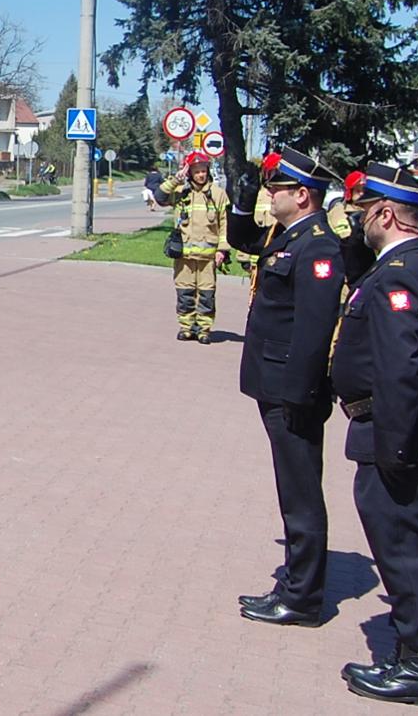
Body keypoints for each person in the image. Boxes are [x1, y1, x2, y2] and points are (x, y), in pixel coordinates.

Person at [331, 163, 418, 707]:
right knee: (401, 545)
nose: (357, 220)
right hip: (389, 425)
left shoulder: (402, 274)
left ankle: (416, 668)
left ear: (385, 213)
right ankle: (411, 654)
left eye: (364, 211)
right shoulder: (401, 264)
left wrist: (395, 448)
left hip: (394, 429)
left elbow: (399, 370)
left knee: (403, 549)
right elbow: (357, 269)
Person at [223, 146, 344, 630]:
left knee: (301, 494)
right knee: (292, 491)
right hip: (276, 385)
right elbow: (244, 239)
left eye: (278, 188)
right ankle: (295, 584)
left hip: (293, 392)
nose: (269, 194)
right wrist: (240, 201)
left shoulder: (318, 247)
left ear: (303, 195)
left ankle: (303, 598)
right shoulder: (290, 235)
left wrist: (298, 394)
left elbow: (314, 330)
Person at [162, 153, 231, 342]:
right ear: (190, 173)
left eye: (203, 171)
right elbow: (160, 197)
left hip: (208, 258)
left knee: (206, 295)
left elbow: (225, 224)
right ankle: (186, 327)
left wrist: (222, 250)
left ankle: (203, 329)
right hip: (184, 256)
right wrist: (176, 179)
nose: (201, 175)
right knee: (185, 293)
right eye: (196, 171)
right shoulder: (181, 192)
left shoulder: (218, 194)